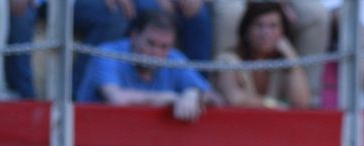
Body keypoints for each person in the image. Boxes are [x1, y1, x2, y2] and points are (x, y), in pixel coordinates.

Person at [75, 8, 220, 123]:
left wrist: (194, 94)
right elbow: (117, 98)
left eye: (164, 47)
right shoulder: (107, 53)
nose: (156, 52)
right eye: (151, 43)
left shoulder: (173, 58)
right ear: (134, 36)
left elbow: (216, 99)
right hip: (97, 137)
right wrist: (166, 98)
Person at [215, 0, 313, 108]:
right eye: (259, 25)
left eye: (273, 26)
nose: (265, 33)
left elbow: (302, 103)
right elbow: (234, 98)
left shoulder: (284, 62)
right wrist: (271, 104)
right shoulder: (229, 59)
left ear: (283, 32)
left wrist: (290, 55)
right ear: (247, 30)